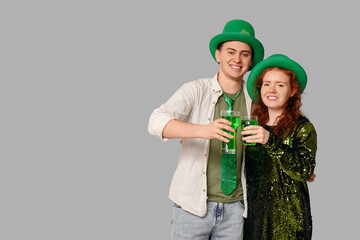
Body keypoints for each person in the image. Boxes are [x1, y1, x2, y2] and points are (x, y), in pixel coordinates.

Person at [148, 19, 264, 239]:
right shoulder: (196, 90)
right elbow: (155, 121)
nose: (237, 59)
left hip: (236, 210)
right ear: (218, 55)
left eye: (244, 54)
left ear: (250, 61)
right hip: (192, 208)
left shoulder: (256, 101)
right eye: (230, 51)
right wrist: (203, 131)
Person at [241, 54, 317, 239]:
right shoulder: (251, 124)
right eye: (266, 84)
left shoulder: (303, 127)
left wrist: (270, 140)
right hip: (254, 220)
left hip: (289, 223)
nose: (271, 90)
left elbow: (305, 170)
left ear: (292, 91)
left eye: (280, 85)